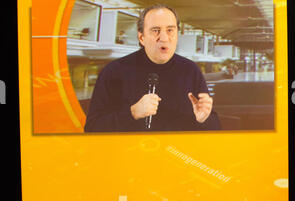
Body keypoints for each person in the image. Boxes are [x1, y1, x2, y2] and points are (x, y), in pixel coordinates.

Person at [85, 4, 220, 133]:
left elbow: (216, 127)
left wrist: (203, 120)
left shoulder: (191, 70)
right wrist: (132, 113)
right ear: (141, 37)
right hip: (132, 153)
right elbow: (92, 128)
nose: (164, 38)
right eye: (156, 30)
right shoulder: (113, 72)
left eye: (170, 30)